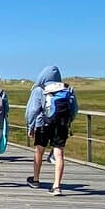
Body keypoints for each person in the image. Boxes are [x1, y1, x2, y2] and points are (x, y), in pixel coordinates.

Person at [25, 65, 78, 196]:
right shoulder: (68, 89)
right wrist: (68, 122)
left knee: (39, 151)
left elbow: (32, 110)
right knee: (59, 154)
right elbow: (75, 109)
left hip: (43, 124)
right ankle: (57, 186)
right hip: (61, 125)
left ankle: (36, 180)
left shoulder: (39, 89)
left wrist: (30, 126)